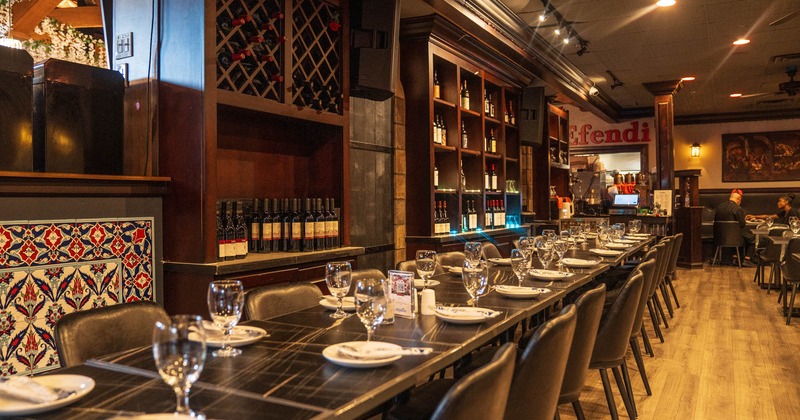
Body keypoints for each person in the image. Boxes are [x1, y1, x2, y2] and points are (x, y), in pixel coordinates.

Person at [715, 189, 755, 266]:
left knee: (738, 236)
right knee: (752, 238)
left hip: (720, 236)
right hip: (734, 237)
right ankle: (747, 259)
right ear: (738, 199)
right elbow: (742, 224)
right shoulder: (737, 208)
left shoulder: (720, 206)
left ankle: (735, 258)